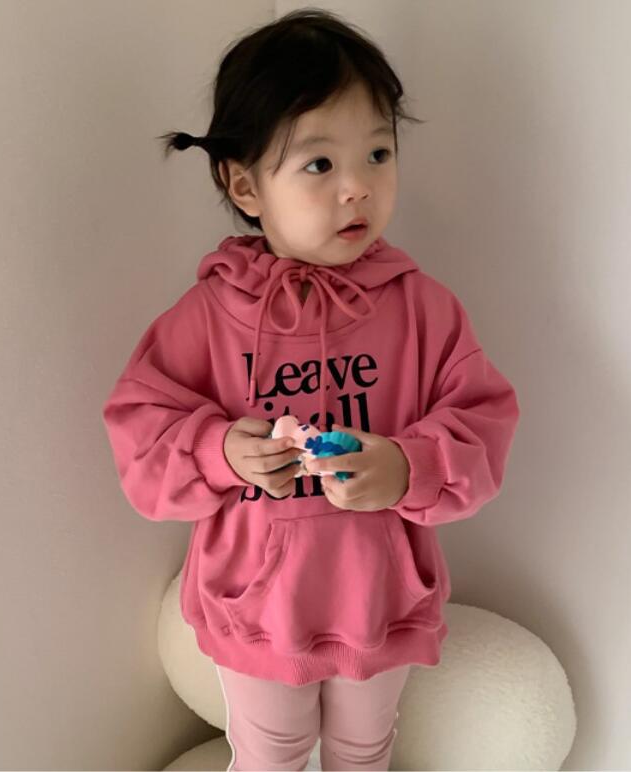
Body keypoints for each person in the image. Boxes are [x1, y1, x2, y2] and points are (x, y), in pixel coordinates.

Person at [101, 8, 520, 771]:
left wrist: (410, 465)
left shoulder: (421, 308)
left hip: (378, 597)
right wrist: (220, 450)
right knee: (270, 754)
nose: (358, 186)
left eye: (378, 152)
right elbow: (140, 432)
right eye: (320, 163)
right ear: (245, 184)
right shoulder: (208, 316)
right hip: (258, 603)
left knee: (365, 750)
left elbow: (483, 420)